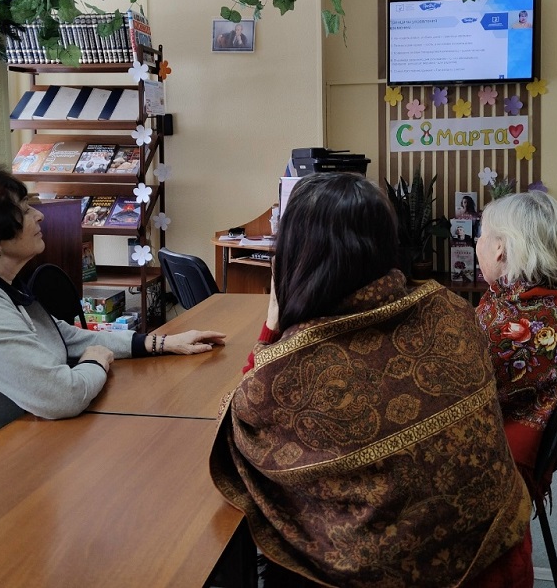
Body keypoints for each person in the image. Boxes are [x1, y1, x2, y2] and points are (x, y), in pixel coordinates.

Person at [210, 173, 533, 588]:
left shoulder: (293, 370)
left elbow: (237, 422)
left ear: (297, 257)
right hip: (501, 551)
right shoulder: (450, 309)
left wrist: (271, 327)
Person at [0, 161, 225, 479]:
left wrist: (156, 343)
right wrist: (94, 363)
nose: (39, 216)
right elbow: (60, 397)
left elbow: (60, 336)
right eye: (25, 210)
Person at [474, 190, 557, 494]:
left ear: (499, 248)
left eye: (482, 235)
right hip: (528, 449)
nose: (478, 243)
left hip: (496, 463)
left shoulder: (504, 327)